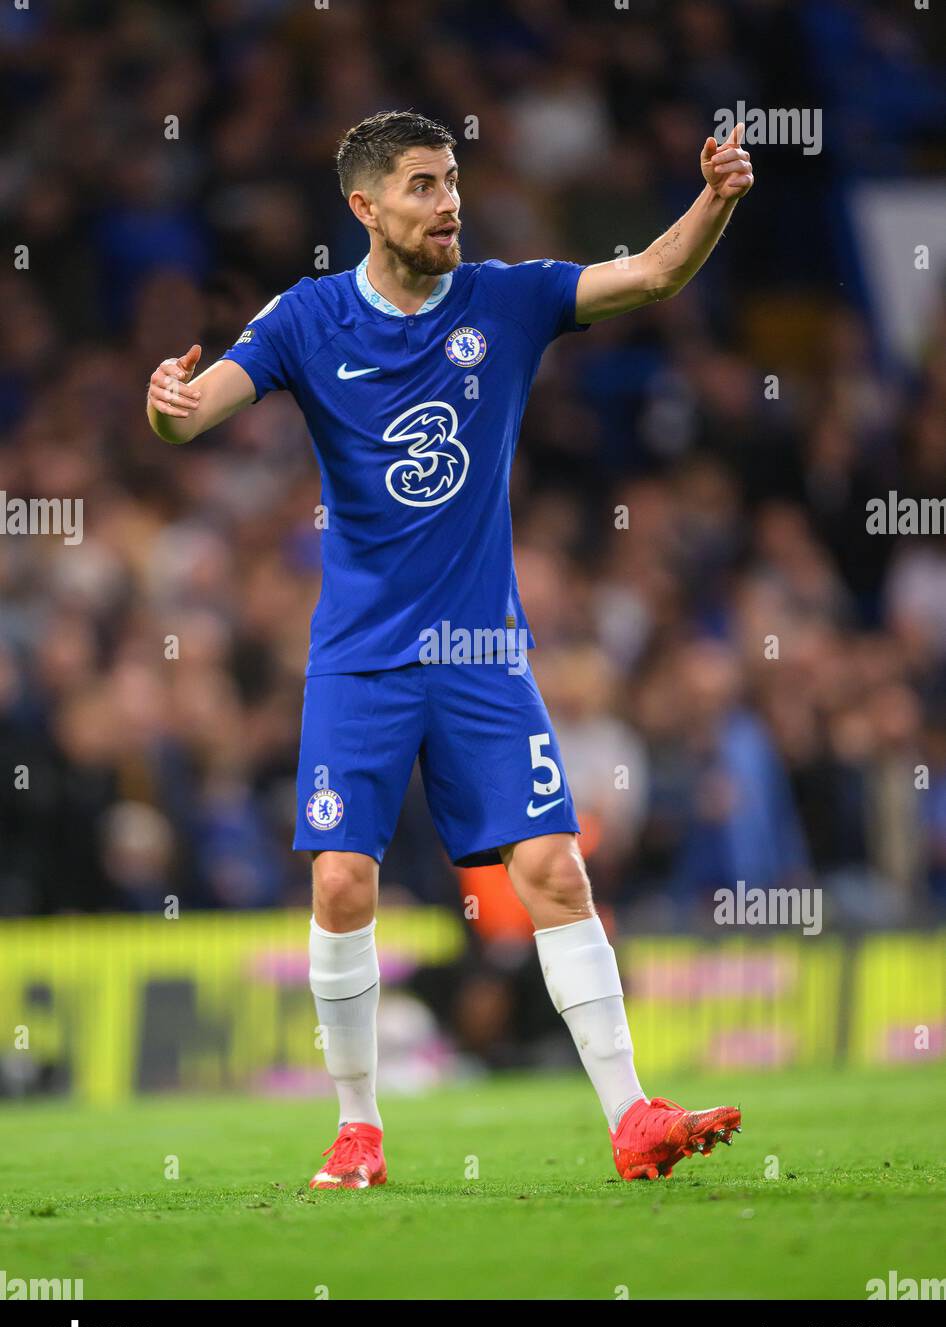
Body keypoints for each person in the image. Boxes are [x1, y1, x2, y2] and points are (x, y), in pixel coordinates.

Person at [147, 110, 752, 1187]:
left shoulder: (504, 300)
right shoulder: (307, 318)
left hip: (482, 656)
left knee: (555, 869)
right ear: (365, 207)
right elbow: (194, 418)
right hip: (360, 657)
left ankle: (632, 1116)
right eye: (424, 186)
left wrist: (714, 198)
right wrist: (169, 407)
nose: (449, 203)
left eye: (453, 179)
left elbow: (653, 276)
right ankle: (358, 1130)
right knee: (341, 883)